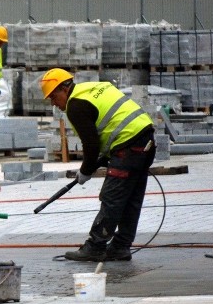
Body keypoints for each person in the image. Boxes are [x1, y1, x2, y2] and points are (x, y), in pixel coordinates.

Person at [39, 68, 156, 262]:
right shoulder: (92, 88)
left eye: (53, 96)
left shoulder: (75, 105)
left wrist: (85, 171)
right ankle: (121, 246)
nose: (53, 103)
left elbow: (91, 144)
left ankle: (95, 246)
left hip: (128, 145)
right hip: (145, 140)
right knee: (131, 198)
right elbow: (109, 124)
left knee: (112, 197)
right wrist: (104, 156)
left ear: (64, 89)